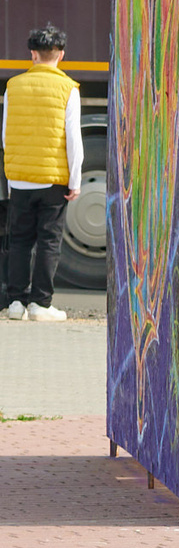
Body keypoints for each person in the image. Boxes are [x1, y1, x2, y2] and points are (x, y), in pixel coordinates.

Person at [3, 25, 82, 324]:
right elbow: (73, 139)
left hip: (20, 178)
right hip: (52, 180)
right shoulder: (68, 89)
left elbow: (6, 136)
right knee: (49, 241)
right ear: (60, 55)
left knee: (20, 240)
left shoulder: (13, 86)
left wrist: (12, 177)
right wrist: (74, 182)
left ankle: (15, 303)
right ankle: (40, 304)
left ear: (33, 55)